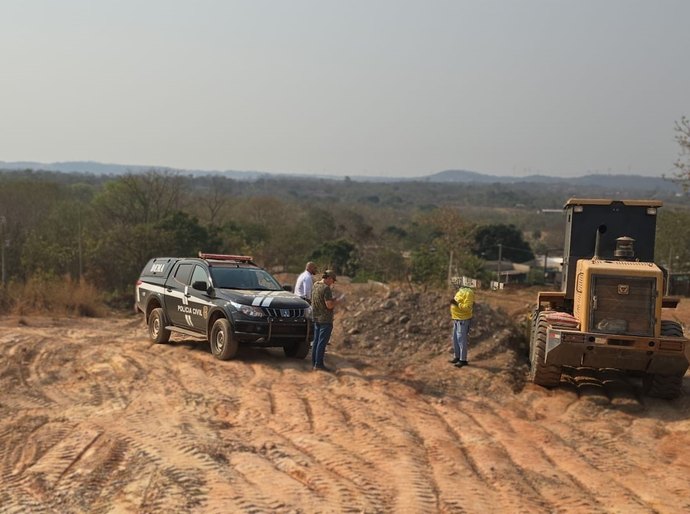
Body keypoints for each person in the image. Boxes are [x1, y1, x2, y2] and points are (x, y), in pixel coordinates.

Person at [311, 269, 340, 371]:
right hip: (325, 319)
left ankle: (314, 362)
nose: (333, 283)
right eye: (332, 280)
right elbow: (329, 305)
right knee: (322, 343)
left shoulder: (315, 285)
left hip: (316, 317)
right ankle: (319, 365)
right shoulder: (326, 289)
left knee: (316, 341)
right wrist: (337, 301)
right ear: (328, 278)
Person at [449, 279, 475, 368]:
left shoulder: (469, 292)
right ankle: (457, 357)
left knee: (461, 340)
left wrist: (456, 304)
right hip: (456, 319)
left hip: (462, 320)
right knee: (455, 339)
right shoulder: (460, 291)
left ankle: (463, 360)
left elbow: (467, 307)